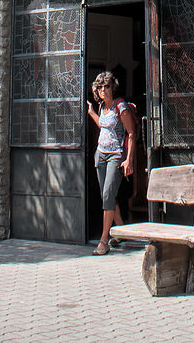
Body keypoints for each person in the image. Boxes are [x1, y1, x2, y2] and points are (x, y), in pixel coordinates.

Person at [85, 70, 137, 255]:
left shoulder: (120, 106)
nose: (103, 90)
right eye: (99, 87)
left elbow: (131, 134)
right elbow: (103, 126)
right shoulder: (102, 107)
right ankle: (120, 229)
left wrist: (129, 159)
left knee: (107, 193)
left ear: (112, 87)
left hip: (115, 155)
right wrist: (91, 113)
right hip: (101, 154)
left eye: (106, 86)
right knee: (106, 195)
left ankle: (104, 240)